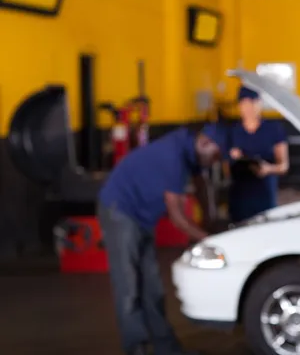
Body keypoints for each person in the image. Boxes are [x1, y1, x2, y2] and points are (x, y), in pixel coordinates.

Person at [97, 126, 220, 355]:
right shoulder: (173, 158)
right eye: (215, 156)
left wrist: (211, 220)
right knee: (129, 287)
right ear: (204, 144)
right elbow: (177, 218)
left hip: (143, 217)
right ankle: (136, 349)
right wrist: (210, 240)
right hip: (120, 211)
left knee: (153, 287)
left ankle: (167, 349)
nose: (215, 162)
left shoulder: (192, 151)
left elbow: (203, 185)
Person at [228, 86, 289, 222]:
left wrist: (268, 169)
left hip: (265, 194)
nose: (249, 107)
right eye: (245, 103)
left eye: (253, 102)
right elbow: (226, 168)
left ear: (260, 103)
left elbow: (284, 166)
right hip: (239, 197)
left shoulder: (273, 129)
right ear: (239, 105)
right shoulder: (233, 131)